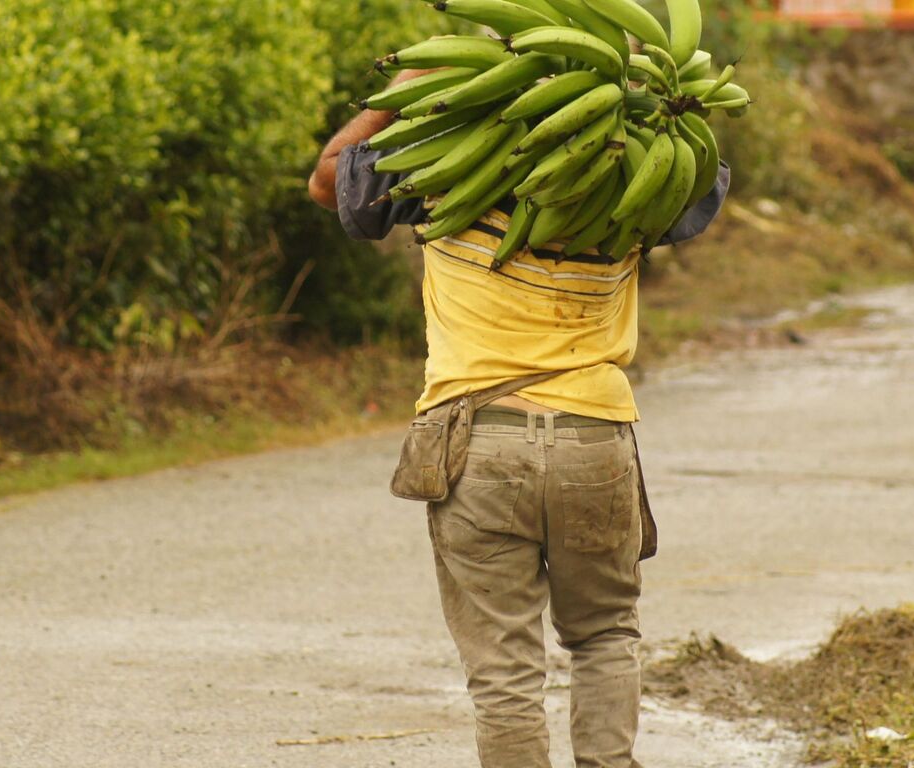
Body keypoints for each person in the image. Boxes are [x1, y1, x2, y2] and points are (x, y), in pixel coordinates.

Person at [308, 68, 729, 768]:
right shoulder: (633, 175)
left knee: (504, 671)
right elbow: (707, 180)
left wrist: (393, 99)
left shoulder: (444, 163)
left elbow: (328, 181)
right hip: (594, 437)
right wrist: (657, 97)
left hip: (476, 442)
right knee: (603, 636)